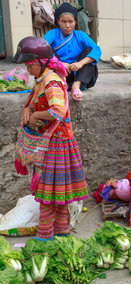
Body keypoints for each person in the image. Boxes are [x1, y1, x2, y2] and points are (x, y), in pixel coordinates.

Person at [13, 37, 88, 241]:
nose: (27, 69)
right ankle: (62, 230)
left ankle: (45, 234)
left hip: (57, 142)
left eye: (29, 65)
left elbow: (57, 110)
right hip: (54, 141)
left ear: (40, 62)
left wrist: (36, 116)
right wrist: (29, 108)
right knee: (57, 190)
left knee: (48, 191)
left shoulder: (52, 81)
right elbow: (37, 101)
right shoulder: (41, 79)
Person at [44, 3, 101, 101]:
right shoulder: (52, 34)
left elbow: (97, 50)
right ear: (58, 21)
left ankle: (76, 85)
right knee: (45, 49)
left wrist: (80, 63)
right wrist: (60, 64)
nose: (67, 25)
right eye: (63, 21)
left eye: (71, 21)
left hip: (78, 74)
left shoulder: (80, 35)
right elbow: (41, 50)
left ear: (75, 21)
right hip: (60, 72)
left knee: (89, 50)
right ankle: (62, 83)